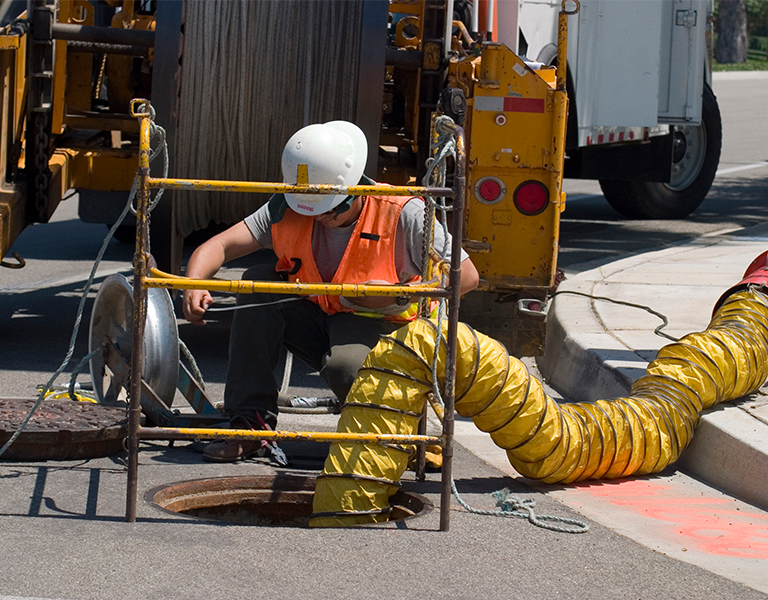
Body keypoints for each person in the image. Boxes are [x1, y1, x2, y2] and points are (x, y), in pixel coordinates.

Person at [182, 120, 479, 463]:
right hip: (315, 316)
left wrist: (400, 294)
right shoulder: (291, 205)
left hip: (378, 325)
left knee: (346, 369)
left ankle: (393, 438)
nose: (319, 218)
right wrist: (194, 282)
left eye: (329, 209)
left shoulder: (402, 211)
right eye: (311, 209)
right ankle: (250, 426)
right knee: (255, 285)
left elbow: (467, 276)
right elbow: (218, 246)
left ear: (354, 189)